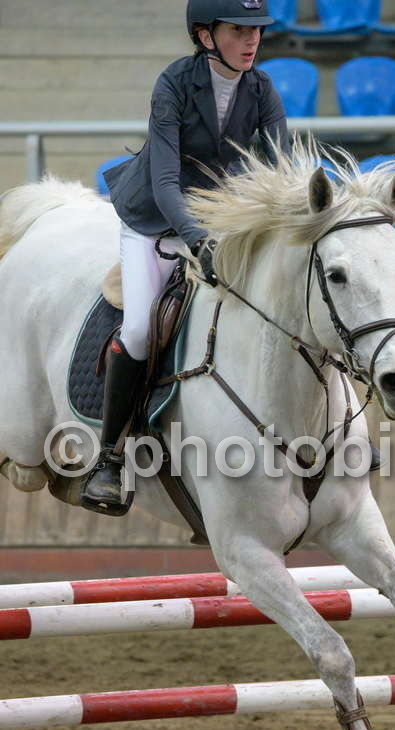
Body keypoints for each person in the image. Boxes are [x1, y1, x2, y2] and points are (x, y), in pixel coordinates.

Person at [81, 0, 289, 516]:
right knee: (139, 330)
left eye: (256, 31)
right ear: (205, 36)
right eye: (238, 30)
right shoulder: (173, 83)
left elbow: (282, 168)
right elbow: (166, 181)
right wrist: (197, 238)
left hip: (219, 220)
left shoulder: (261, 88)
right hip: (155, 221)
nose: (252, 41)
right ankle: (109, 459)